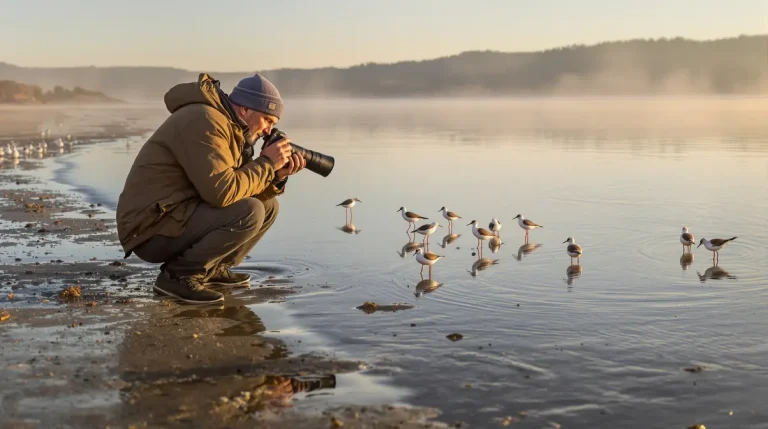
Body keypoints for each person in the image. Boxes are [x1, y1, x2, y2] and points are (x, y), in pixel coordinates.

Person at [116, 73, 305, 304]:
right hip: (149, 227)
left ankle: (213, 269)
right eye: (267, 120)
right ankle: (178, 276)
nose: (268, 131)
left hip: (175, 213)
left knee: (267, 207)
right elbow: (222, 192)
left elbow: (238, 190)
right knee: (251, 211)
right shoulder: (205, 121)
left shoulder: (231, 128)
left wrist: (275, 177)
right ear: (245, 110)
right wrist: (266, 163)